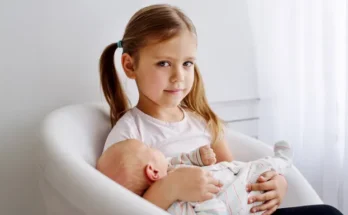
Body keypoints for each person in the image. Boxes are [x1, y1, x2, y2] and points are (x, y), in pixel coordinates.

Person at [97, 3, 342, 215]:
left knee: (327, 213)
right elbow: (123, 208)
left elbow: (234, 174)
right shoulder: (129, 136)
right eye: (163, 63)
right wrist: (169, 187)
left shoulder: (202, 121)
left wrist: (275, 184)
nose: (178, 76)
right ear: (130, 65)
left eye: (187, 63)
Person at [97, 139, 293, 215]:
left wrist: (197, 156)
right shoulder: (180, 204)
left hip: (236, 178)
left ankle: (279, 164)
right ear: (152, 172)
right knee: (257, 168)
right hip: (243, 198)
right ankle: (282, 160)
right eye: (150, 149)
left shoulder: (167, 168)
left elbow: (179, 160)